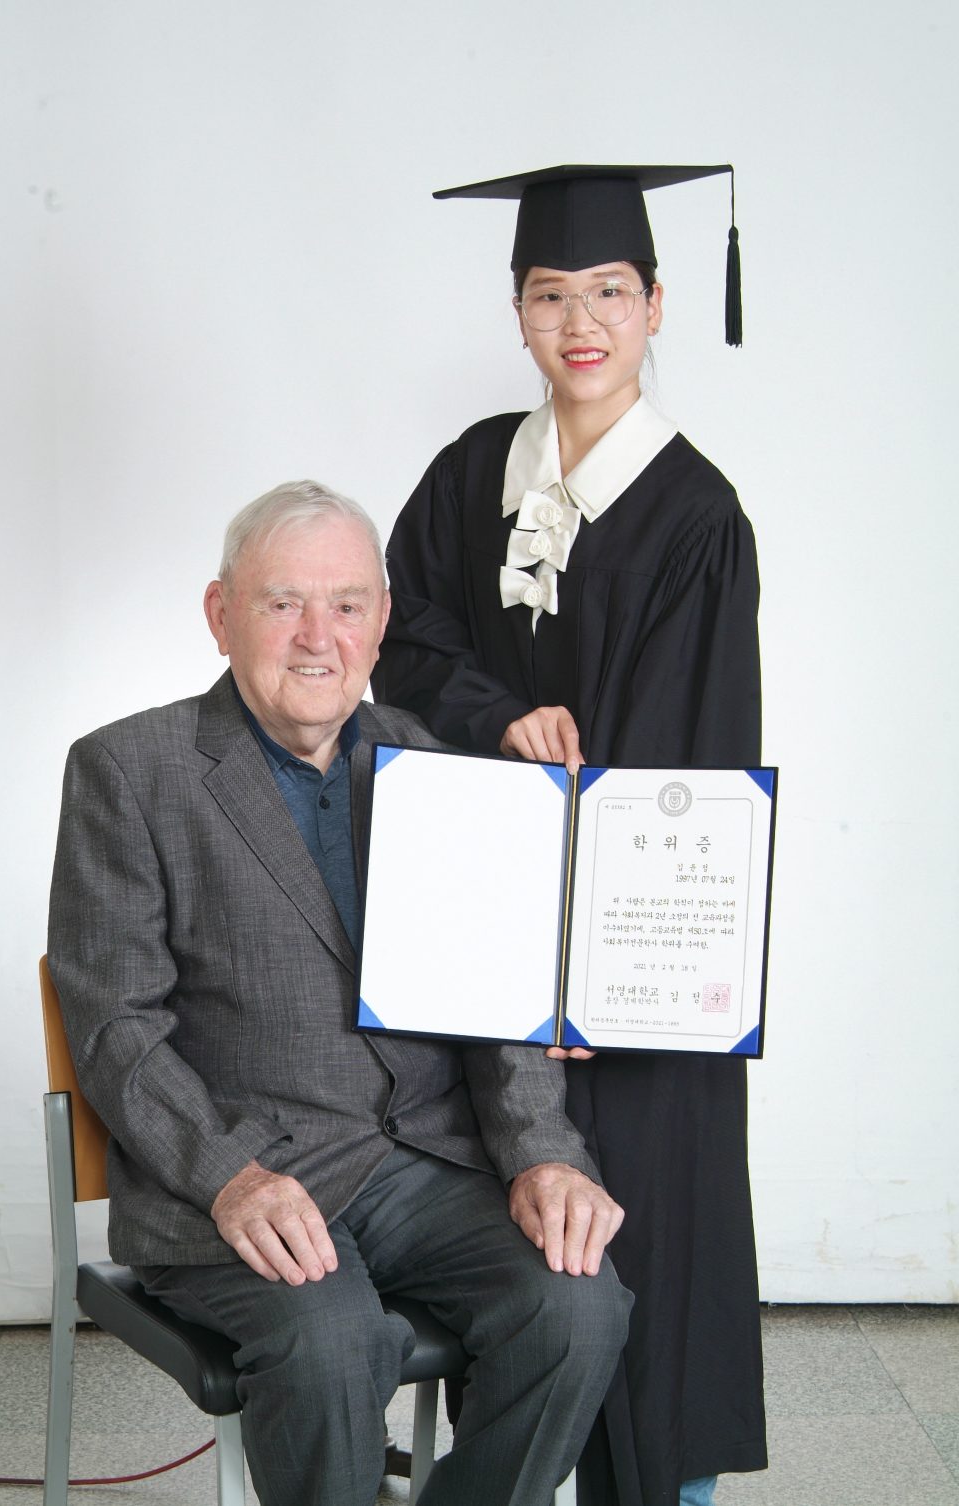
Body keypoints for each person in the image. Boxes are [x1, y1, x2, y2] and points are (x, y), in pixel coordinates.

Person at [48, 480, 630, 1506]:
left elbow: (491, 997)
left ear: (383, 622)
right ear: (222, 614)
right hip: (236, 1177)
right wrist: (230, 1175)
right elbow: (117, 1032)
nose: (320, 635)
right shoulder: (127, 773)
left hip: (419, 1166)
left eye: (348, 604)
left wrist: (545, 1153)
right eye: (283, 604)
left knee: (579, 1307)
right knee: (330, 1342)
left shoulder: (434, 762)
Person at [371, 166, 768, 1506]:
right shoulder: (473, 471)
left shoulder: (698, 519)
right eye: (551, 294)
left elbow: (690, 763)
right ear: (519, 309)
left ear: (658, 305)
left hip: (633, 973)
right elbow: (400, 638)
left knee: (647, 1257)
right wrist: (503, 715)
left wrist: (606, 972)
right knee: (523, 1259)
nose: (580, 320)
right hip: (487, 942)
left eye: (609, 291)